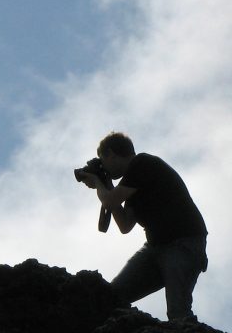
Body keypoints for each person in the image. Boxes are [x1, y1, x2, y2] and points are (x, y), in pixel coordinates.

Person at [79, 131, 208, 322]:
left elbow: (109, 202)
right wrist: (106, 184)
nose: (103, 166)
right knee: (112, 297)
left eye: (102, 160)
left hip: (184, 243)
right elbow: (125, 225)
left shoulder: (143, 163)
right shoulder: (131, 182)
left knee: (178, 313)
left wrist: (98, 183)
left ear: (111, 154)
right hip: (156, 247)